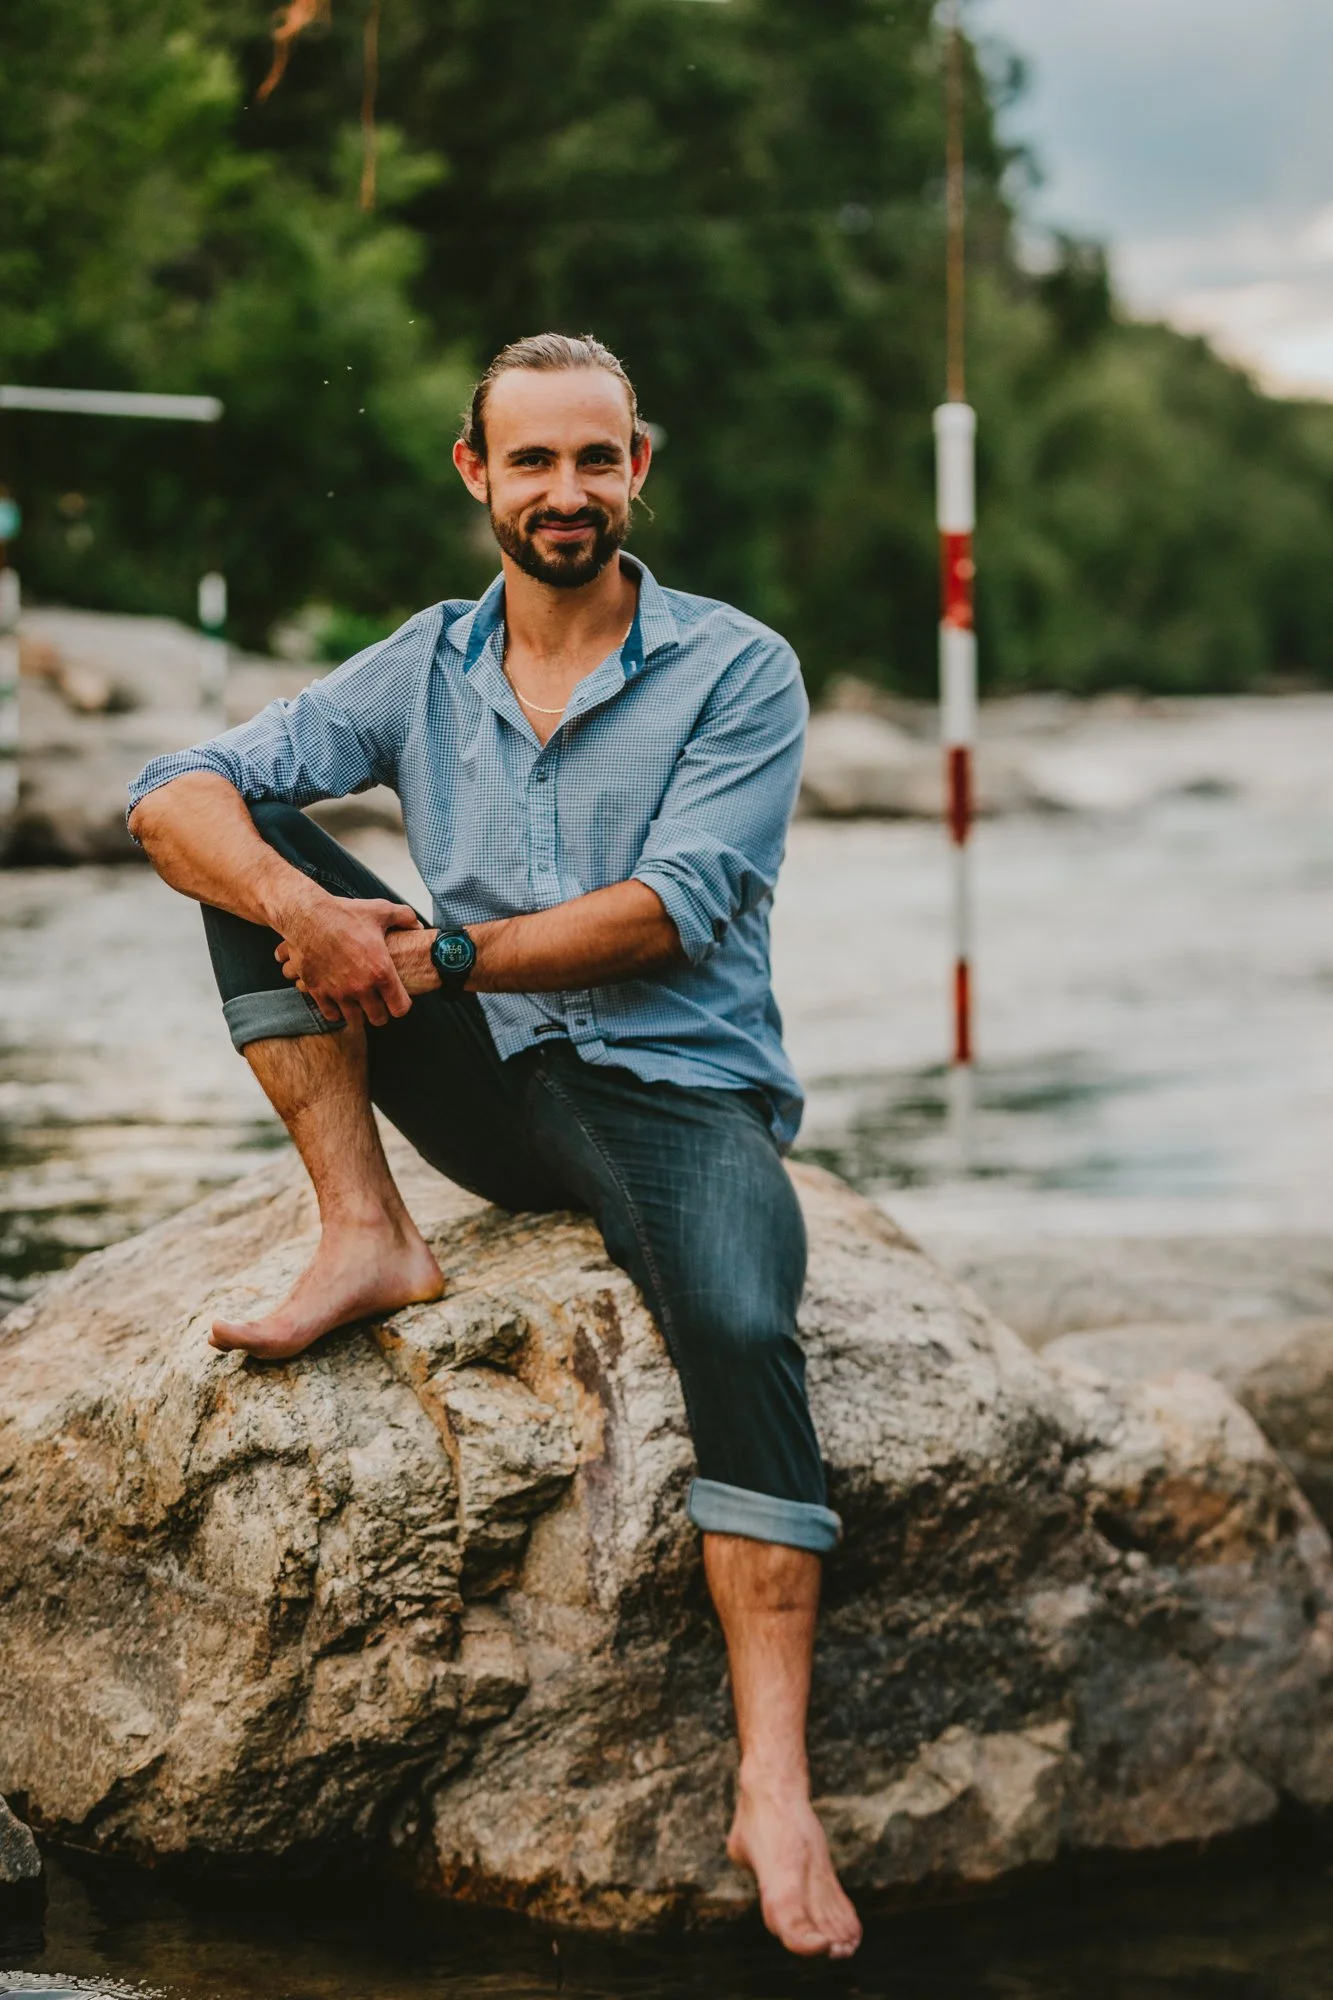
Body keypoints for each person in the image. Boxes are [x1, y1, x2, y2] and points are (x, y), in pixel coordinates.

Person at [127, 332, 861, 1959]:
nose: (565, 491)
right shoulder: (424, 665)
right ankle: (367, 1232)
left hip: (678, 1091)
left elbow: (675, 911)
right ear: (478, 474)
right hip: (491, 1086)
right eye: (532, 460)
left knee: (744, 1325)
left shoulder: (737, 666)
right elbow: (172, 792)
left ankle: (775, 1786)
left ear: (637, 470)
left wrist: (439, 953)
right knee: (252, 863)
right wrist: (306, 905)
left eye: (595, 459)